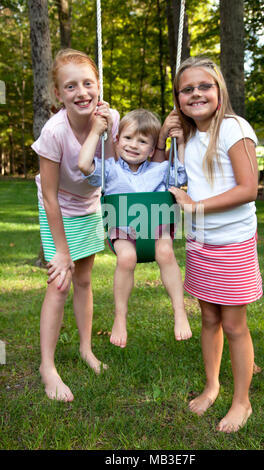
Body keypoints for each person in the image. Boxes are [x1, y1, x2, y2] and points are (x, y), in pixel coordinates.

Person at [168, 57, 263, 433]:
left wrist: (197, 206)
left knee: (235, 325)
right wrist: (165, 133)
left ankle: (243, 402)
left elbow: (248, 188)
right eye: (187, 89)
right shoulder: (189, 136)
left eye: (204, 86)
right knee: (208, 318)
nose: (196, 94)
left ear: (219, 90)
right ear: (178, 99)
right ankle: (212, 385)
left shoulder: (234, 128)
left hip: (233, 243)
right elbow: (167, 171)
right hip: (200, 242)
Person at [31, 49, 119, 402]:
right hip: (59, 208)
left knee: (84, 279)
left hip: (89, 205)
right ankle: (47, 367)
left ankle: (85, 349)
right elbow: (50, 197)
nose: (81, 92)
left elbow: (121, 163)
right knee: (60, 283)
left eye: (88, 83)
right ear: (59, 94)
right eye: (71, 87)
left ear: (98, 86)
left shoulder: (110, 118)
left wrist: (103, 129)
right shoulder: (53, 132)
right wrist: (62, 249)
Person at [78, 108, 192, 349]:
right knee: (127, 258)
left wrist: (179, 142)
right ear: (117, 141)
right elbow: (83, 164)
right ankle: (120, 317)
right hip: (121, 228)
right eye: (128, 138)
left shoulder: (159, 170)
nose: (134, 145)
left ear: (152, 150)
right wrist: (97, 132)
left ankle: (180, 311)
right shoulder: (109, 170)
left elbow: (182, 173)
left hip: (155, 226)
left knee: (166, 252)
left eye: (142, 141)